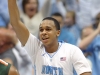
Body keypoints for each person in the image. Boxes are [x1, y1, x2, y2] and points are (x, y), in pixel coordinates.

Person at [0, 0, 92, 75]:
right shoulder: (35, 48)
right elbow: (15, 23)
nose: (43, 32)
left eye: (48, 29)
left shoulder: (72, 50)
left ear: (58, 32)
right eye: (41, 30)